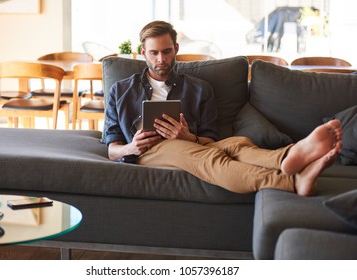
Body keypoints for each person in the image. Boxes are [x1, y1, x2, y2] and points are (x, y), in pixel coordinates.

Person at [104, 20, 343, 197]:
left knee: (237, 143)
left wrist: (188, 136)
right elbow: (111, 149)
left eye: (166, 52)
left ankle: (288, 156)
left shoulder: (199, 89)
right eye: (154, 53)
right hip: (147, 153)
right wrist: (131, 147)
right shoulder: (121, 90)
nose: (161, 60)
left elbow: (209, 140)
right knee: (211, 158)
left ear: (176, 49)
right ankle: (288, 181)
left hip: (190, 145)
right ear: (143, 52)